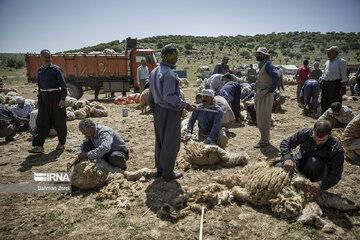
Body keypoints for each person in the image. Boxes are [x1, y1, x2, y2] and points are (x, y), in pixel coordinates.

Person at [148, 43, 195, 181]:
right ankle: (168, 173)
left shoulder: (154, 71)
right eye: (175, 56)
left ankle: (160, 169)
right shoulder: (169, 74)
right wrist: (184, 105)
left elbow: (150, 94)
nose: (177, 59)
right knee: (171, 142)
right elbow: (169, 96)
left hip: (158, 110)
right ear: (170, 58)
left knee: (160, 140)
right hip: (169, 111)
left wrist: (154, 110)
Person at [278, 120, 344, 193]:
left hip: (316, 172)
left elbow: (336, 174)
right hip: (300, 162)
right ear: (313, 131)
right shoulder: (305, 133)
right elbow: (285, 143)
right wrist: (288, 158)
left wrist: (320, 184)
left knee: (313, 162)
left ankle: (309, 188)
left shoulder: (336, 149)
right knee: (279, 167)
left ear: (329, 135)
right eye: (315, 138)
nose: (317, 142)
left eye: (322, 140)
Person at [28, 49, 68, 153]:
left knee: (59, 121)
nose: (47, 59)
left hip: (56, 97)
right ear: (40, 58)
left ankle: (61, 143)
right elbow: (40, 86)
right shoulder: (40, 70)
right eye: (45, 57)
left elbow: (63, 86)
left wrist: (63, 99)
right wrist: (39, 99)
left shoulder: (56, 69)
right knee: (42, 121)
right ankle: (39, 146)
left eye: (49, 56)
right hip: (43, 97)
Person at [253, 47, 280, 148]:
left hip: (265, 94)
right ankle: (263, 139)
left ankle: (264, 140)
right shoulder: (263, 65)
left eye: (260, 54)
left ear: (265, 55)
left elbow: (276, 76)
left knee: (264, 118)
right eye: (258, 54)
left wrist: (270, 90)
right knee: (260, 117)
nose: (258, 55)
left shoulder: (268, 65)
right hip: (261, 93)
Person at [321, 46, 347, 113]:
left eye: (330, 52)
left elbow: (344, 75)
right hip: (326, 84)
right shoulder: (327, 62)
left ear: (335, 52)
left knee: (335, 102)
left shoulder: (341, 61)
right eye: (328, 52)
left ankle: (335, 117)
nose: (328, 53)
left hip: (335, 85)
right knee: (325, 101)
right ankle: (326, 116)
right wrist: (322, 81)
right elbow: (325, 73)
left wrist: (343, 87)